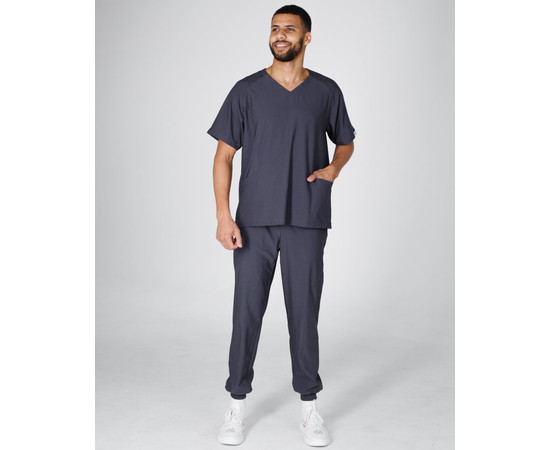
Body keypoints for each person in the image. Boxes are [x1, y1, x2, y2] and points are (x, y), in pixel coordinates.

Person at [207, 4, 355, 447]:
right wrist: (223, 215)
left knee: (304, 315)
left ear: (306, 38)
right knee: (246, 313)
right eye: (275, 28)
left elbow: (345, 142)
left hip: (307, 219)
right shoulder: (246, 91)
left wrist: (333, 169)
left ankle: (309, 408)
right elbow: (223, 156)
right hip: (254, 221)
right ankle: (236, 405)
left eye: (290, 29)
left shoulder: (326, 91)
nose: (280, 35)